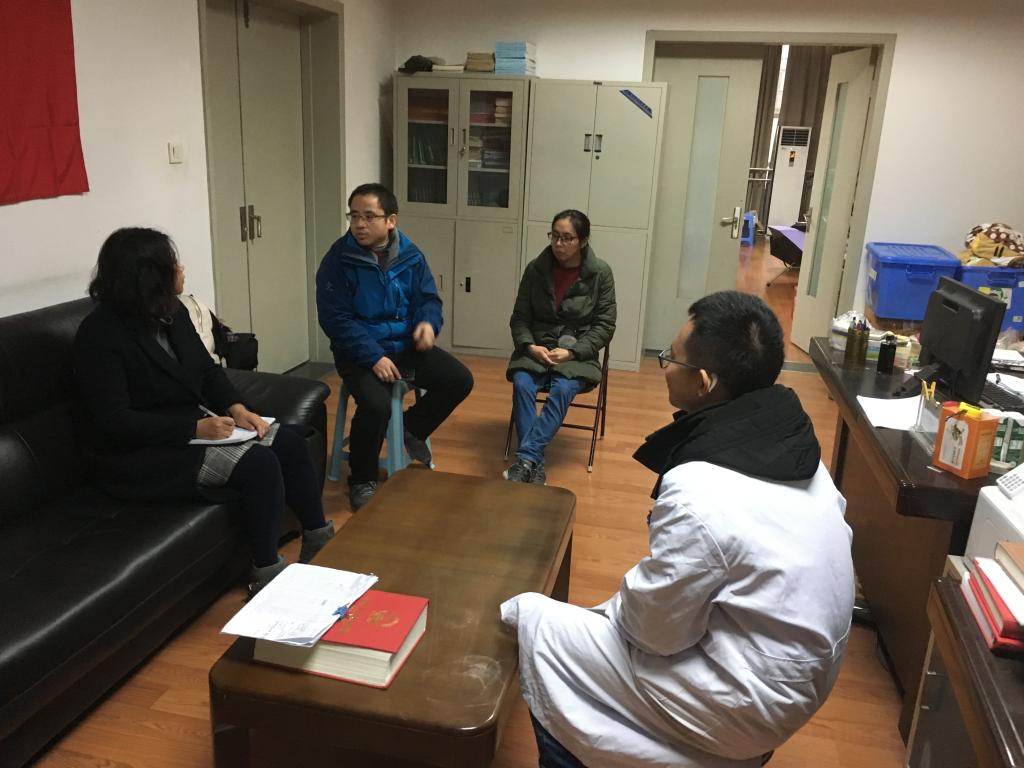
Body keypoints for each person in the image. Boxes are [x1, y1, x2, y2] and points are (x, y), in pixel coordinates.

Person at [501, 291, 855, 767]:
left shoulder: (701, 490)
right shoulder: (795, 449)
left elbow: (652, 633)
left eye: (670, 357)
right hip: (796, 677)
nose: (664, 365)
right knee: (593, 627)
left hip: (750, 702)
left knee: (531, 621)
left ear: (704, 382)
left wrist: (616, 608)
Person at [74, 228, 334, 595]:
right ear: (149, 276)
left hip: (189, 431)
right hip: (140, 454)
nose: (181, 269)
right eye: (173, 263)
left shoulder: (171, 311)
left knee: (289, 442)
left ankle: (320, 539)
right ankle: (266, 572)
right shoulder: (100, 335)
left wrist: (236, 407)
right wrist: (193, 429)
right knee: (258, 464)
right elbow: (114, 421)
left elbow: (207, 370)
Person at [316, 183, 473, 511]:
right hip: (359, 353)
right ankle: (362, 479)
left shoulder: (411, 255)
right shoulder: (338, 260)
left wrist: (427, 324)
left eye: (369, 216)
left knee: (459, 379)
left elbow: (427, 298)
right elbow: (336, 320)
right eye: (354, 216)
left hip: (403, 346)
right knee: (377, 404)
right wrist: (373, 357)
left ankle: (411, 430)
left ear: (391, 221)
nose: (359, 224)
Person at [504, 209, 616, 484]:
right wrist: (529, 346)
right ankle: (534, 463)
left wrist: (573, 352)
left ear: (583, 241)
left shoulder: (600, 273)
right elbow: (520, 318)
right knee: (522, 382)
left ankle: (526, 459)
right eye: (555, 236)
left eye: (567, 238)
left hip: (577, 351)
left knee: (563, 388)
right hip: (538, 347)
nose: (559, 243)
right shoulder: (536, 269)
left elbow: (604, 325)